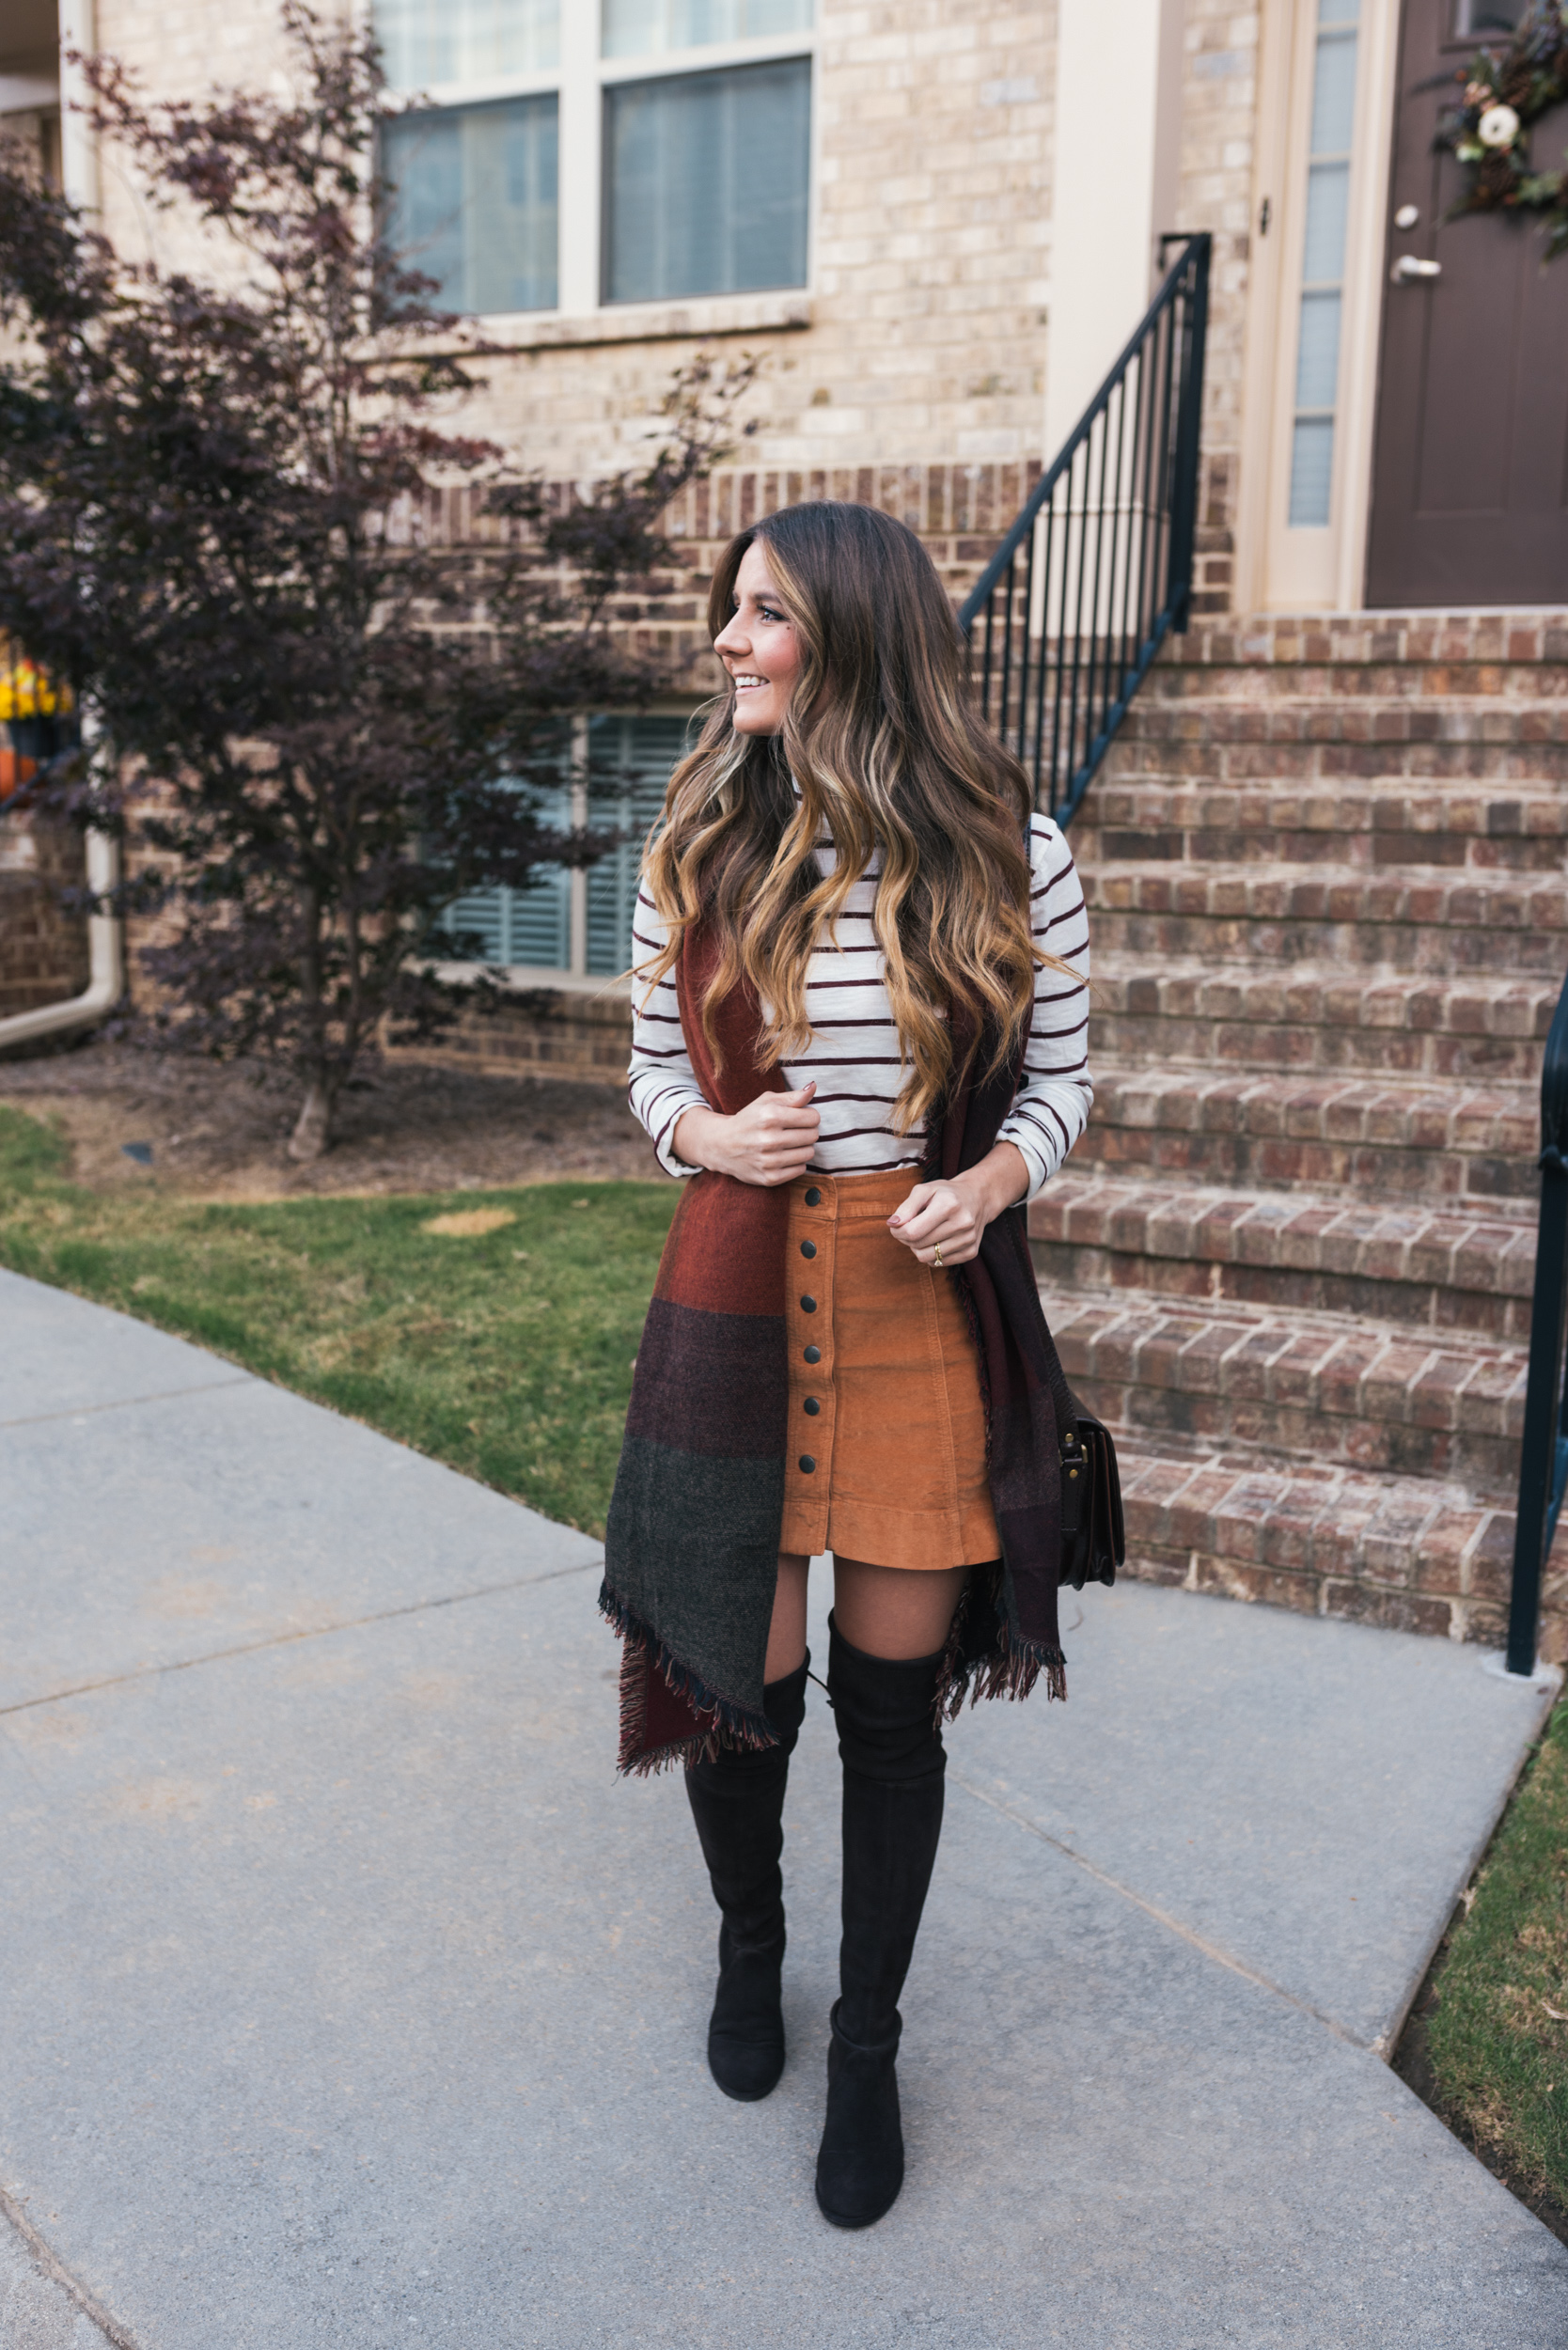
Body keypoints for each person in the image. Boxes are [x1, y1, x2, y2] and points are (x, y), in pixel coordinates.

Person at [602, 499, 1092, 2230]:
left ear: (854, 638)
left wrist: (985, 1179)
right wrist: (708, 1143)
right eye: (729, 614)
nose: (728, 643)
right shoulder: (701, 841)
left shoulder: (1009, 849)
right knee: (744, 1690)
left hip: (912, 1305)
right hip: (741, 1287)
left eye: (762, 617)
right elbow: (651, 1074)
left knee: (890, 1719)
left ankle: (867, 2046)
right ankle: (755, 1952)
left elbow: (1064, 1088)